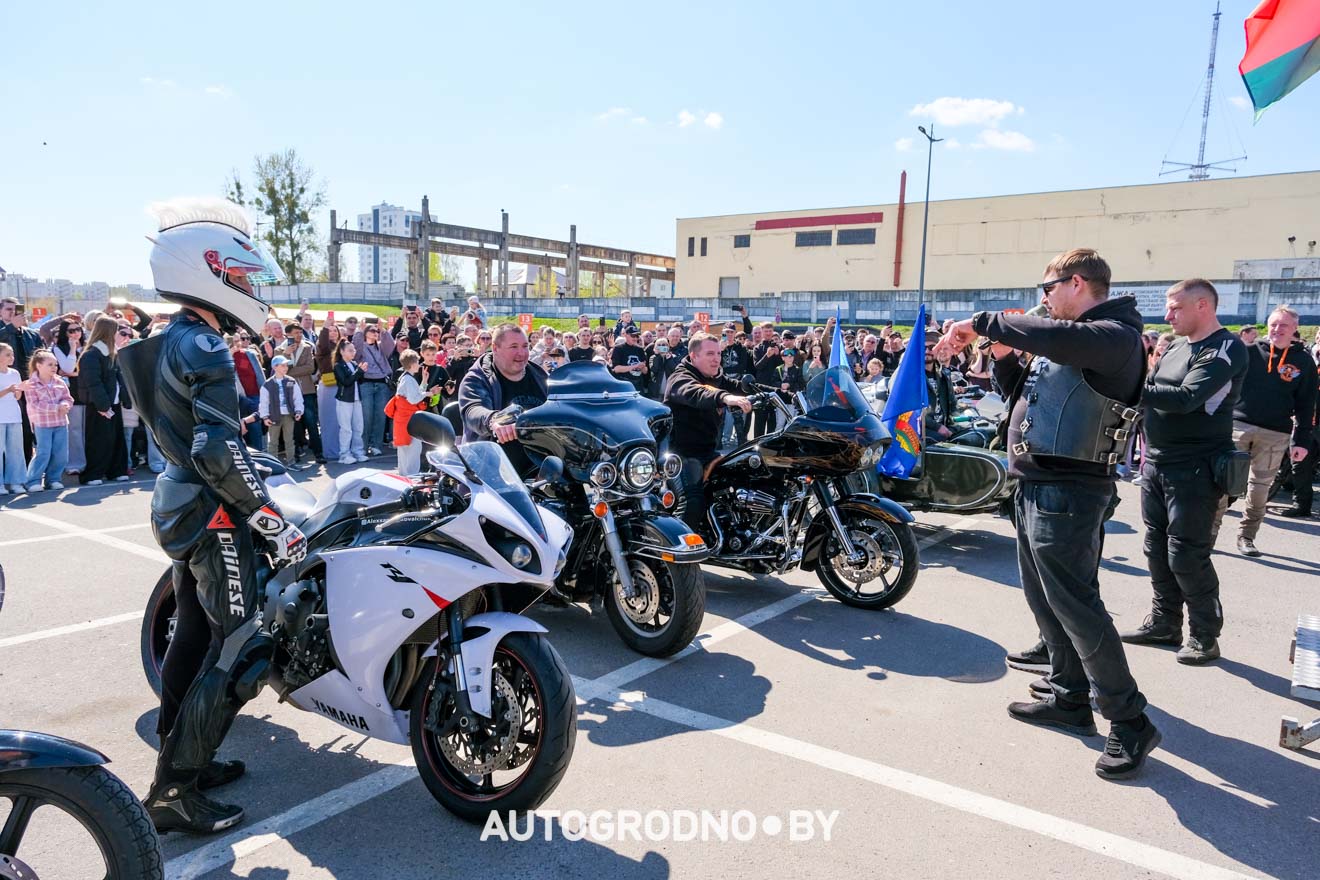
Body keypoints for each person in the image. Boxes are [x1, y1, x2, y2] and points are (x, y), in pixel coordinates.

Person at [118, 198, 308, 834]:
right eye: (244, 276)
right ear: (211, 271)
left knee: (194, 632)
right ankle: (174, 791)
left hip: (177, 500)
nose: (251, 289)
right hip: (210, 511)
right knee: (242, 645)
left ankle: (183, 755)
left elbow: (195, 442)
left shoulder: (171, 336)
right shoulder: (205, 344)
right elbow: (217, 449)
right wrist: (271, 517)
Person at [941, 247, 1158, 779]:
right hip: (1037, 483)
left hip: (1071, 490)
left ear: (1078, 283)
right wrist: (1003, 354)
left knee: (1077, 606)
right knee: (1049, 602)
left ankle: (1129, 720)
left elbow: (1058, 342)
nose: (1042, 298)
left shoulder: (1114, 334)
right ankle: (1069, 697)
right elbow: (1025, 394)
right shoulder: (1072, 336)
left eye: (1049, 288)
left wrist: (982, 323)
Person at [1120, 279, 1246, 666]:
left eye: (1176, 308)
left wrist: (1124, 385)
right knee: (1156, 549)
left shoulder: (1226, 348)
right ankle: (1164, 622)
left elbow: (1188, 399)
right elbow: (1154, 385)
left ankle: (1205, 636)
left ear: (1203, 306)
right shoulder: (1176, 346)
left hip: (1195, 469)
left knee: (1186, 555)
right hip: (1157, 463)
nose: (1167, 315)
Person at [1211, 305, 1317, 546]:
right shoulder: (1247, 352)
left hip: (1275, 433)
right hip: (1237, 427)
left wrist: (1301, 440)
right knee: (1222, 486)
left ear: (1295, 329)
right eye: (1274, 324)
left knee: (1259, 490)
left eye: (1284, 326)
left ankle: (1247, 537)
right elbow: (1221, 387)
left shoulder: (1304, 362)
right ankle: (1209, 535)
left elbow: (1306, 403)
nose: (1277, 330)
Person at [664, 332, 754, 533]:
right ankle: (675, 556)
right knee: (692, 501)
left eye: (719, 354)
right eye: (710, 354)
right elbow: (698, 392)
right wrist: (726, 398)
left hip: (708, 452)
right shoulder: (680, 378)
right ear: (694, 356)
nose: (716, 359)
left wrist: (786, 395)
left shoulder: (716, 377)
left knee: (744, 477)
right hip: (681, 455)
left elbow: (739, 387)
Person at [458, 324, 548, 477]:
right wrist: (493, 420)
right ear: (495, 348)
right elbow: (473, 409)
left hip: (542, 474)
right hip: (492, 475)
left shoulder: (540, 377)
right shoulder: (477, 379)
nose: (521, 353)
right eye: (513, 346)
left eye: (525, 346)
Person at [77, 317, 130, 486]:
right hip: (99, 405)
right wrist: (102, 405)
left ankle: (116, 470)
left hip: (113, 403)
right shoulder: (92, 354)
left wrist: (125, 399)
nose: (118, 334)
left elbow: (119, 379)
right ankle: (93, 474)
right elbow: (94, 382)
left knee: (116, 438)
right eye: (116, 330)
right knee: (99, 440)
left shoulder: (111, 353)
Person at [21, 348, 74, 491]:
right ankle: (33, 481)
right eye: (50, 364)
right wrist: (57, 408)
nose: (54, 367)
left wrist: (65, 405)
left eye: (55, 364)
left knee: (61, 453)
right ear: (38, 365)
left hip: (61, 422)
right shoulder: (31, 384)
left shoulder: (60, 381)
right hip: (42, 423)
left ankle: (53, 479)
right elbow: (35, 405)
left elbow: (68, 398)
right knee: (43, 452)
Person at [352, 319, 395, 456]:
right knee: (366, 416)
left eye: (376, 331)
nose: (375, 333)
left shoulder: (381, 346)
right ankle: (363, 446)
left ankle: (376, 445)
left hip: (382, 383)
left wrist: (383, 330)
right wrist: (360, 330)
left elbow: (390, 347)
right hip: (366, 383)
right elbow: (356, 348)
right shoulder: (361, 346)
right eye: (372, 330)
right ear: (365, 333)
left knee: (380, 416)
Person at [283, 322, 324, 465]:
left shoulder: (307, 348)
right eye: (296, 333)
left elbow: (310, 368)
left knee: (312, 421)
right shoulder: (280, 350)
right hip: (288, 391)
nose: (299, 335)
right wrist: (286, 355)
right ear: (288, 335)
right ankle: (295, 452)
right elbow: (281, 370)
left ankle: (318, 453)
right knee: (293, 424)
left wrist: (291, 370)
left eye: (300, 332)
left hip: (306, 390)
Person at [52, 318, 86, 475]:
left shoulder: (87, 346)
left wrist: (74, 373)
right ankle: (74, 463)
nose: (75, 333)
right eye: (71, 331)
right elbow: (67, 367)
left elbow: (85, 370)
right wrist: (72, 349)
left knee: (88, 430)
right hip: (72, 393)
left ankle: (89, 461)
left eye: (78, 329)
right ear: (65, 333)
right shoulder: (59, 348)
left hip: (89, 392)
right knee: (74, 430)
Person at [387, 349, 429, 475]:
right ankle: (411, 478)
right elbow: (414, 399)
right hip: (409, 421)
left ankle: (405, 477)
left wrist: (424, 381)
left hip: (403, 420)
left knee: (405, 452)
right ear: (412, 364)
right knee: (413, 450)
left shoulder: (405, 378)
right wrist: (428, 393)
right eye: (417, 362)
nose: (419, 364)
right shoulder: (409, 380)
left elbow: (414, 394)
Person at [259, 355, 304, 465]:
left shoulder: (291, 381)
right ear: (275, 367)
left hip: (289, 414)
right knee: (273, 441)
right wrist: (265, 416)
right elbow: (263, 402)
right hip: (274, 416)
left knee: (289, 440)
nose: (286, 368)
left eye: (286, 365)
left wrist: (298, 410)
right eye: (282, 365)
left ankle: (291, 462)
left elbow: (297, 397)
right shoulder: (267, 384)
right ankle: (273, 465)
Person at [333, 339, 368, 464]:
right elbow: (346, 382)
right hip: (345, 400)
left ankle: (358, 452)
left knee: (358, 427)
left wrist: (361, 372)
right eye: (350, 350)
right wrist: (359, 371)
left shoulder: (354, 364)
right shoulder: (338, 366)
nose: (353, 352)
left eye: (354, 350)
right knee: (346, 428)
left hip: (356, 399)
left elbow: (359, 381)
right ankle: (344, 454)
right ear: (342, 352)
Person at [0, 343, 26, 494]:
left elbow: (18, 396)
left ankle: (16, 482)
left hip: (14, 416)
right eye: (7, 354)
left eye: (12, 354)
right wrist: (8, 390)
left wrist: (18, 390)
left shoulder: (15, 373)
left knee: (15, 451)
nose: (12, 357)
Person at [610, 323, 649, 393]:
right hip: (624, 384)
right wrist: (635, 366)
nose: (635, 338)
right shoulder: (618, 348)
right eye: (632, 336)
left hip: (638, 384)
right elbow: (616, 369)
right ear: (626, 335)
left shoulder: (640, 349)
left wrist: (642, 367)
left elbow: (645, 371)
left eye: (637, 336)